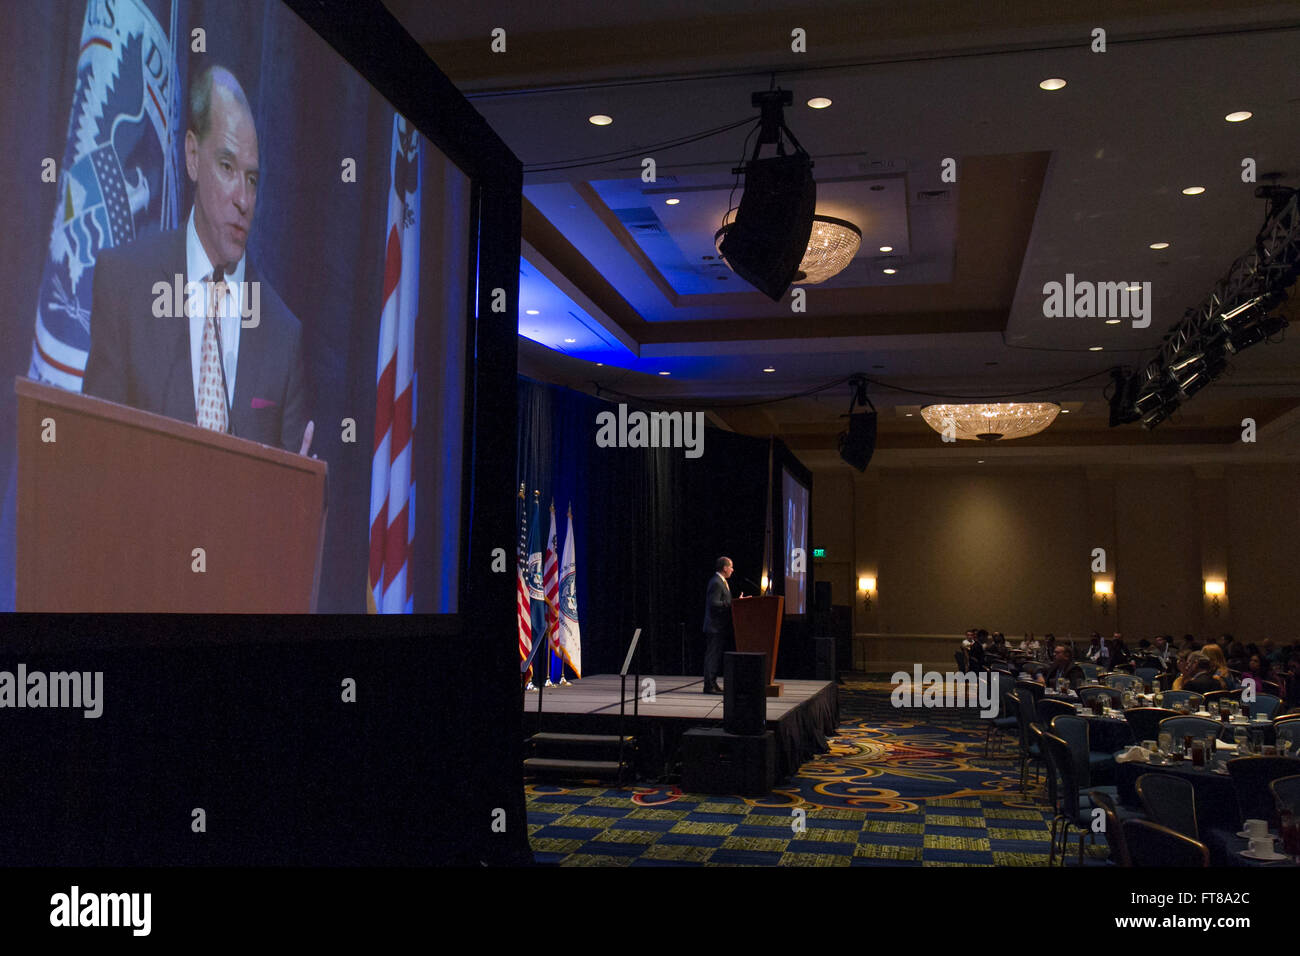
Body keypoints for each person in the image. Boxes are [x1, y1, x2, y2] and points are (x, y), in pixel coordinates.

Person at [84, 65, 313, 455]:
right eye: (226, 167)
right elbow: (90, 453)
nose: (243, 199)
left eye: (253, 179)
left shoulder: (282, 336)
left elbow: (297, 502)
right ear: (192, 156)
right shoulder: (125, 285)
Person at [701, 556, 735, 694]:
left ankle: (713, 683)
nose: (732, 570)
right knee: (712, 656)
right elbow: (713, 603)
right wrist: (731, 604)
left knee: (715, 657)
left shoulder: (722, 581)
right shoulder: (716, 582)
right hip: (714, 627)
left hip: (719, 626)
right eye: (731, 567)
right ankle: (709, 686)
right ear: (725, 568)